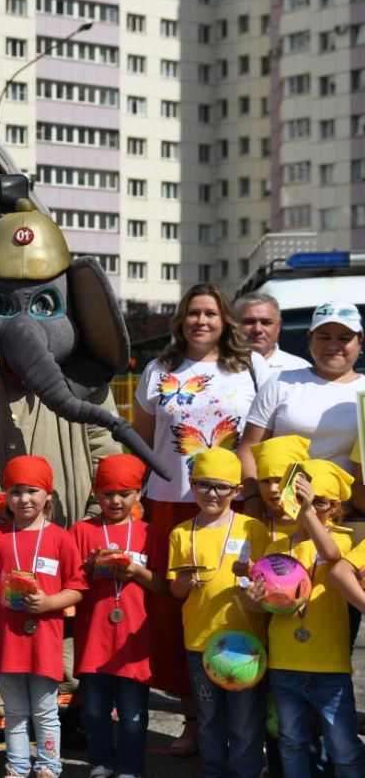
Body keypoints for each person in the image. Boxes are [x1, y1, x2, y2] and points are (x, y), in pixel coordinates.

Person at [132, 284, 264, 751]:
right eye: (193, 313)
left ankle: (245, 723)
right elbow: (143, 442)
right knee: (178, 608)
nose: (201, 321)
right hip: (171, 500)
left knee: (235, 604)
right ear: (181, 320)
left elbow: (263, 434)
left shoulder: (250, 368)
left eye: (210, 313)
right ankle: (194, 717)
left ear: (225, 319)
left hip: (235, 504)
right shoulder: (159, 369)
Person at [0, 456, 85, 778]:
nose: (23, 499)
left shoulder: (60, 538)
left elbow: (78, 587)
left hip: (44, 640)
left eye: (31, 491)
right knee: (14, 711)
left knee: (45, 711)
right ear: (6, 497)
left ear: (48, 495)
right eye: (15, 492)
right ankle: (16, 766)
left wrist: (50, 602)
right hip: (8, 640)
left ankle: (49, 766)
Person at [251, 459, 365, 778]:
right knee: (291, 741)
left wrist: (309, 510)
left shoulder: (342, 539)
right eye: (299, 500)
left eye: (319, 502)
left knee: (343, 745)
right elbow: (264, 606)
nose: (306, 509)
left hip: (328, 664)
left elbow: (330, 556)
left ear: (336, 506)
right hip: (285, 661)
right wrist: (253, 600)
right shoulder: (277, 546)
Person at [168, 448, 268, 778]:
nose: (212, 493)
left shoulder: (252, 528)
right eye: (204, 485)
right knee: (209, 719)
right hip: (199, 642)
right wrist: (183, 582)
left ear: (237, 491)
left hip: (244, 642)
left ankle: (245, 772)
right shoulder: (182, 533)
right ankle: (212, 771)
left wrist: (252, 571)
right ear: (192, 485)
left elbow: (268, 582)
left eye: (222, 487)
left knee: (244, 721)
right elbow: (174, 591)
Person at [71, 454, 168, 778]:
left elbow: (163, 586)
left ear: (138, 494)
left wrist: (135, 570)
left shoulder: (149, 534)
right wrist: (87, 568)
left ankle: (130, 767)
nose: (115, 501)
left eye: (124, 494)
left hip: (132, 640)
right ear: (95, 493)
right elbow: (71, 580)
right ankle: (100, 761)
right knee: (95, 708)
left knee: (133, 712)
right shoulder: (82, 531)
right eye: (107, 493)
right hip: (95, 636)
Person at [240, 301, 364, 501]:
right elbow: (249, 449)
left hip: (347, 514)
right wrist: (254, 499)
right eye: (324, 337)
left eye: (344, 338)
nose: (333, 345)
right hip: (283, 511)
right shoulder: (281, 382)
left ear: (360, 341)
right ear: (310, 339)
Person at [235, 292, 311, 375]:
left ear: (278, 326)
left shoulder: (301, 369)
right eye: (249, 322)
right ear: (233, 324)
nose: (257, 329)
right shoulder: (220, 368)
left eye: (266, 322)